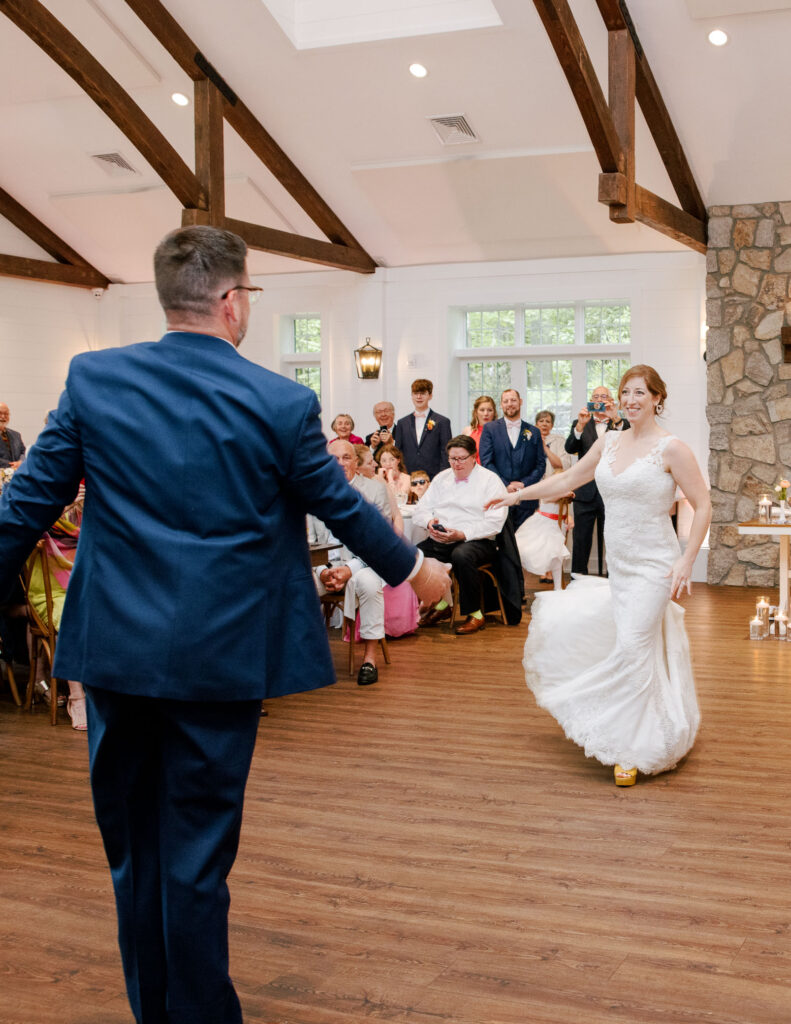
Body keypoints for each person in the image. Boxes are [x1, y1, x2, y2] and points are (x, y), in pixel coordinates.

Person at [0, 225, 449, 1024]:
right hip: (219, 658)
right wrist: (416, 570)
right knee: (197, 857)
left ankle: (156, 1011)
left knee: (134, 855)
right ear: (233, 302)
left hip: (114, 656)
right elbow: (339, 506)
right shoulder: (277, 401)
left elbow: (23, 507)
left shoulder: (93, 380)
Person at [488, 365, 710, 787]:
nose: (630, 400)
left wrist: (686, 560)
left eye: (640, 393)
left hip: (655, 565)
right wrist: (516, 495)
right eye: (625, 392)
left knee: (632, 645)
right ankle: (655, 723)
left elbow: (703, 503)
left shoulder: (672, 449)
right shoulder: (607, 442)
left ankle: (630, 747)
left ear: (657, 398)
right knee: (633, 647)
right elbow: (569, 478)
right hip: (621, 567)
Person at [412, 434, 508, 635]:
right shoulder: (441, 479)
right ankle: (441, 605)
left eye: (461, 458)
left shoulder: (490, 481)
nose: (456, 464)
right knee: (414, 555)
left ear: (474, 457)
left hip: (478, 540)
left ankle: (476, 614)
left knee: (461, 555)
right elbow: (421, 510)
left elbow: (495, 522)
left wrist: (462, 534)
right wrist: (430, 523)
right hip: (442, 538)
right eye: (452, 459)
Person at [565, 384, 629, 574]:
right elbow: (570, 448)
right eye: (596, 396)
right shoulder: (581, 423)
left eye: (604, 396)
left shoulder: (620, 423)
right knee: (581, 540)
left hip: (612, 491)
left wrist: (615, 417)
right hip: (584, 491)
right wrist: (579, 427)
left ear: (611, 401)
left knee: (614, 539)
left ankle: (614, 581)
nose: (600, 400)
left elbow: (629, 444)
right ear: (591, 401)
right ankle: (578, 582)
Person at [478, 388, 546, 530]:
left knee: (525, 541)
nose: (510, 404)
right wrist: (505, 485)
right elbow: (486, 462)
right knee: (502, 543)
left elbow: (540, 465)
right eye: (506, 401)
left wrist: (523, 484)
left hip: (526, 497)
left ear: (520, 402)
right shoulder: (490, 429)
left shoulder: (534, 431)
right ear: (501, 405)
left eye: (513, 400)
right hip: (500, 496)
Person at [393, 378, 452, 479]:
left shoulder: (442, 421)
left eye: (423, 393)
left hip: (434, 475)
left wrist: (443, 475)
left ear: (430, 396)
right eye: (416, 393)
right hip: (408, 475)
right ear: (411, 396)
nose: (419, 397)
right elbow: (398, 452)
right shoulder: (402, 423)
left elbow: (446, 451)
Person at [462, 395, 497, 463]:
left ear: (494, 413)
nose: (486, 413)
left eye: (489, 410)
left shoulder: (499, 432)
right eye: (482, 410)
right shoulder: (467, 431)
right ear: (476, 412)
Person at [0, 402, 25, 469]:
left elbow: (23, 452)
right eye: (0, 413)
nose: (3, 417)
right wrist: (11, 465)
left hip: (17, 474)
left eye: (6, 414)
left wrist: (21, 462)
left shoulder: (16, 435)